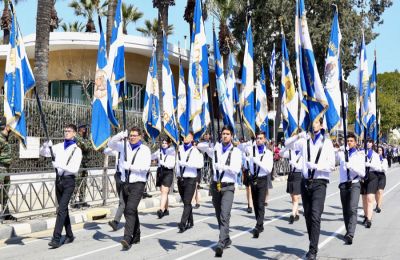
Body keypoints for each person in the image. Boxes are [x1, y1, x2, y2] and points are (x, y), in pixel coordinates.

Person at [284, 118, 335, 260]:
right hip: (305, 182)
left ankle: (313, 250)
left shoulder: (327, 143)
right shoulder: (304, 141)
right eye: (311, 122)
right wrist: (298, 135)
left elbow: (331, 165)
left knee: (315, 215)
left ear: (321, 125)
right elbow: (286, 144)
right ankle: (313, 241)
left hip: (320, 182)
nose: (313, 125)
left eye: (315, 122)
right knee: (307, 216)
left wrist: (317, 166)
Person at [198, 125, 242, 257]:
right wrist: (208, 140)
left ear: (231, 136)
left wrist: (222, 166)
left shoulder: (236, 151)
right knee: (218, 214)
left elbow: (236, 169)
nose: (225, 136)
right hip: (215, 185)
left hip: (228, 186)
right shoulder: (216, 149)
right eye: (223, 134)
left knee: (225, 214)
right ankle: (226, 237)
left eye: (227, 134)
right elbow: (200, 146)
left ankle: (221, 242)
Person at [108, 127, 151, 250]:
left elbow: (145, 167)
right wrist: (119, 135)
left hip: (138, 183)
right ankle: (136, 234)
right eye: (130, 135)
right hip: (125, 182)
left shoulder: (145, 150)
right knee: (131, 211)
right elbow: (110, 144)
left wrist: (131, 167)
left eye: (134, 135)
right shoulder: (124, 146)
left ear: (140, 136)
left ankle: (127, 238)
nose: (132, 137)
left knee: (129, 210)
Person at [40, 124, 83, 248]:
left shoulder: (77, 150)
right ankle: (69, 235)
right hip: (58, 180)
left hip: (69, 181)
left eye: (69, 131)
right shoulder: (58, 146)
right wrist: (45, 145)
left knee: (61, 210)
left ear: (74, 133)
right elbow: (43, 153)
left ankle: (56, 238)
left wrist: (59, 165)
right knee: (63, 210)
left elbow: (74, 169)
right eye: (65, 131)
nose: (66, 133)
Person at [336, 132, 365, 245]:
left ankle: (351, 233)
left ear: (355, 142)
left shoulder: (359, 155)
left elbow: (362, 173)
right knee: (345, 210)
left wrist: (351, 166)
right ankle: (348, 230)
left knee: (352, 208)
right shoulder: (343, 155)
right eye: (348, 141)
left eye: (351, 141)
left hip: (354, 183)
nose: (349, 143)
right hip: (343, 184)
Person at [245, 131, 273, 238]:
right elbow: (243, 151)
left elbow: (268, 169)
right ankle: (259, 223)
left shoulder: (269, 153)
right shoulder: (251, 149)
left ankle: (258, 225)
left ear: (265, 140)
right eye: (257, 138)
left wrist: (256, 161)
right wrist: (247, 161)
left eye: (261, 138)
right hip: (253, 178)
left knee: (261, 203)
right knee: (255, 203)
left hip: (262, 179)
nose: (259, 140)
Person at [176, 131, 204, 232]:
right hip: (180, 179)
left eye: (187, 135)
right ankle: (190, 220)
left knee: (187, 201)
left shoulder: (196, 151)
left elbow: (200, 164)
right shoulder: (179, 149)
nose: (185, 137)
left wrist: (188, 164)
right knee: (185, 202)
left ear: (192, 138)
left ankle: (182, 223)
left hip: (190, 179)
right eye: (184, 135)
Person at [151, 138, 175, 219]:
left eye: (165, 143)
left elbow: (171, 164)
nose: (164, 144)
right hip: (160, 172)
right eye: (163, 142)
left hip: (168, 172)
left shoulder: (172, 152)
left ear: (169, 144)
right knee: (163, 191)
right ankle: (166, 209)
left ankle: (161, 210)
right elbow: (152, 156)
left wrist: (162, 162)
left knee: (164, 191)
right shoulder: (159, 151)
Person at [279, 146, 303, 224]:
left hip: (298, 175)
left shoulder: (303, 153)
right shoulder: (291, 152)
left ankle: (292, 215)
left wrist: (294, 163)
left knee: (295, 197)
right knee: (292, 196)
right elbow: (281, 154)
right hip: (291, 175)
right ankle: (297, 213)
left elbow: (301, 167)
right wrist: (287, 146)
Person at [361, 139, 380, 228]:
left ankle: (369, 219)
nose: (368, 143)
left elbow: (379, 168)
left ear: (372, 144)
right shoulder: (360, 153)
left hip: (372, 177)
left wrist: (370, 164)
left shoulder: (375, 155)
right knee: (364, 199)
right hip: (363, 176)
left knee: (370, 198)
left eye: (369, 142)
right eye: (366, 142)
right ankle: (365, 216)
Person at [105, 147, 124, 231]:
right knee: (122, 200)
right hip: (117, 175)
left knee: (122, 201)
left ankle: (115, 222)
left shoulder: (129, 151)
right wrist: (112, 144)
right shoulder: (117, 150)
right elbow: (106, 151)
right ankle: (132, 219)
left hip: (125, 177)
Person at [73, 124, 92, 208]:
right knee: (76, 182)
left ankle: (82, 200)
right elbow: (86, 147)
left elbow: (89, 146)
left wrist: (88, 143)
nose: (84, 129)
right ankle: (73, 201)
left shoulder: (85, 138)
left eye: (85, 127)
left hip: (85, 163)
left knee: (83, 182)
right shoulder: (76, 137)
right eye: (82, 127)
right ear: (79, 128)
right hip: (78, 163)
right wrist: (88, 143)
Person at [0, 117, 15, 221]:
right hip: (1, 169)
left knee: (5, 192)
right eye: (9, 126)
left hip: (6, 169)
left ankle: (6, 212)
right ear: (6, 127)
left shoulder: (5, 138)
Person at [375, 146, 388, 213]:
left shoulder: (384, 160)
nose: (379, 151)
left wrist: (379, 166)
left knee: (380, 192)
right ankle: (377, 203)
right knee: (376, 193)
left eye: (380, 150)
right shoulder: (374, 159)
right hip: (375, 176)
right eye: (378, 150)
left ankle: (379, 207)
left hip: (382, 176)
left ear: (382, 151)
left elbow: (384, 169)